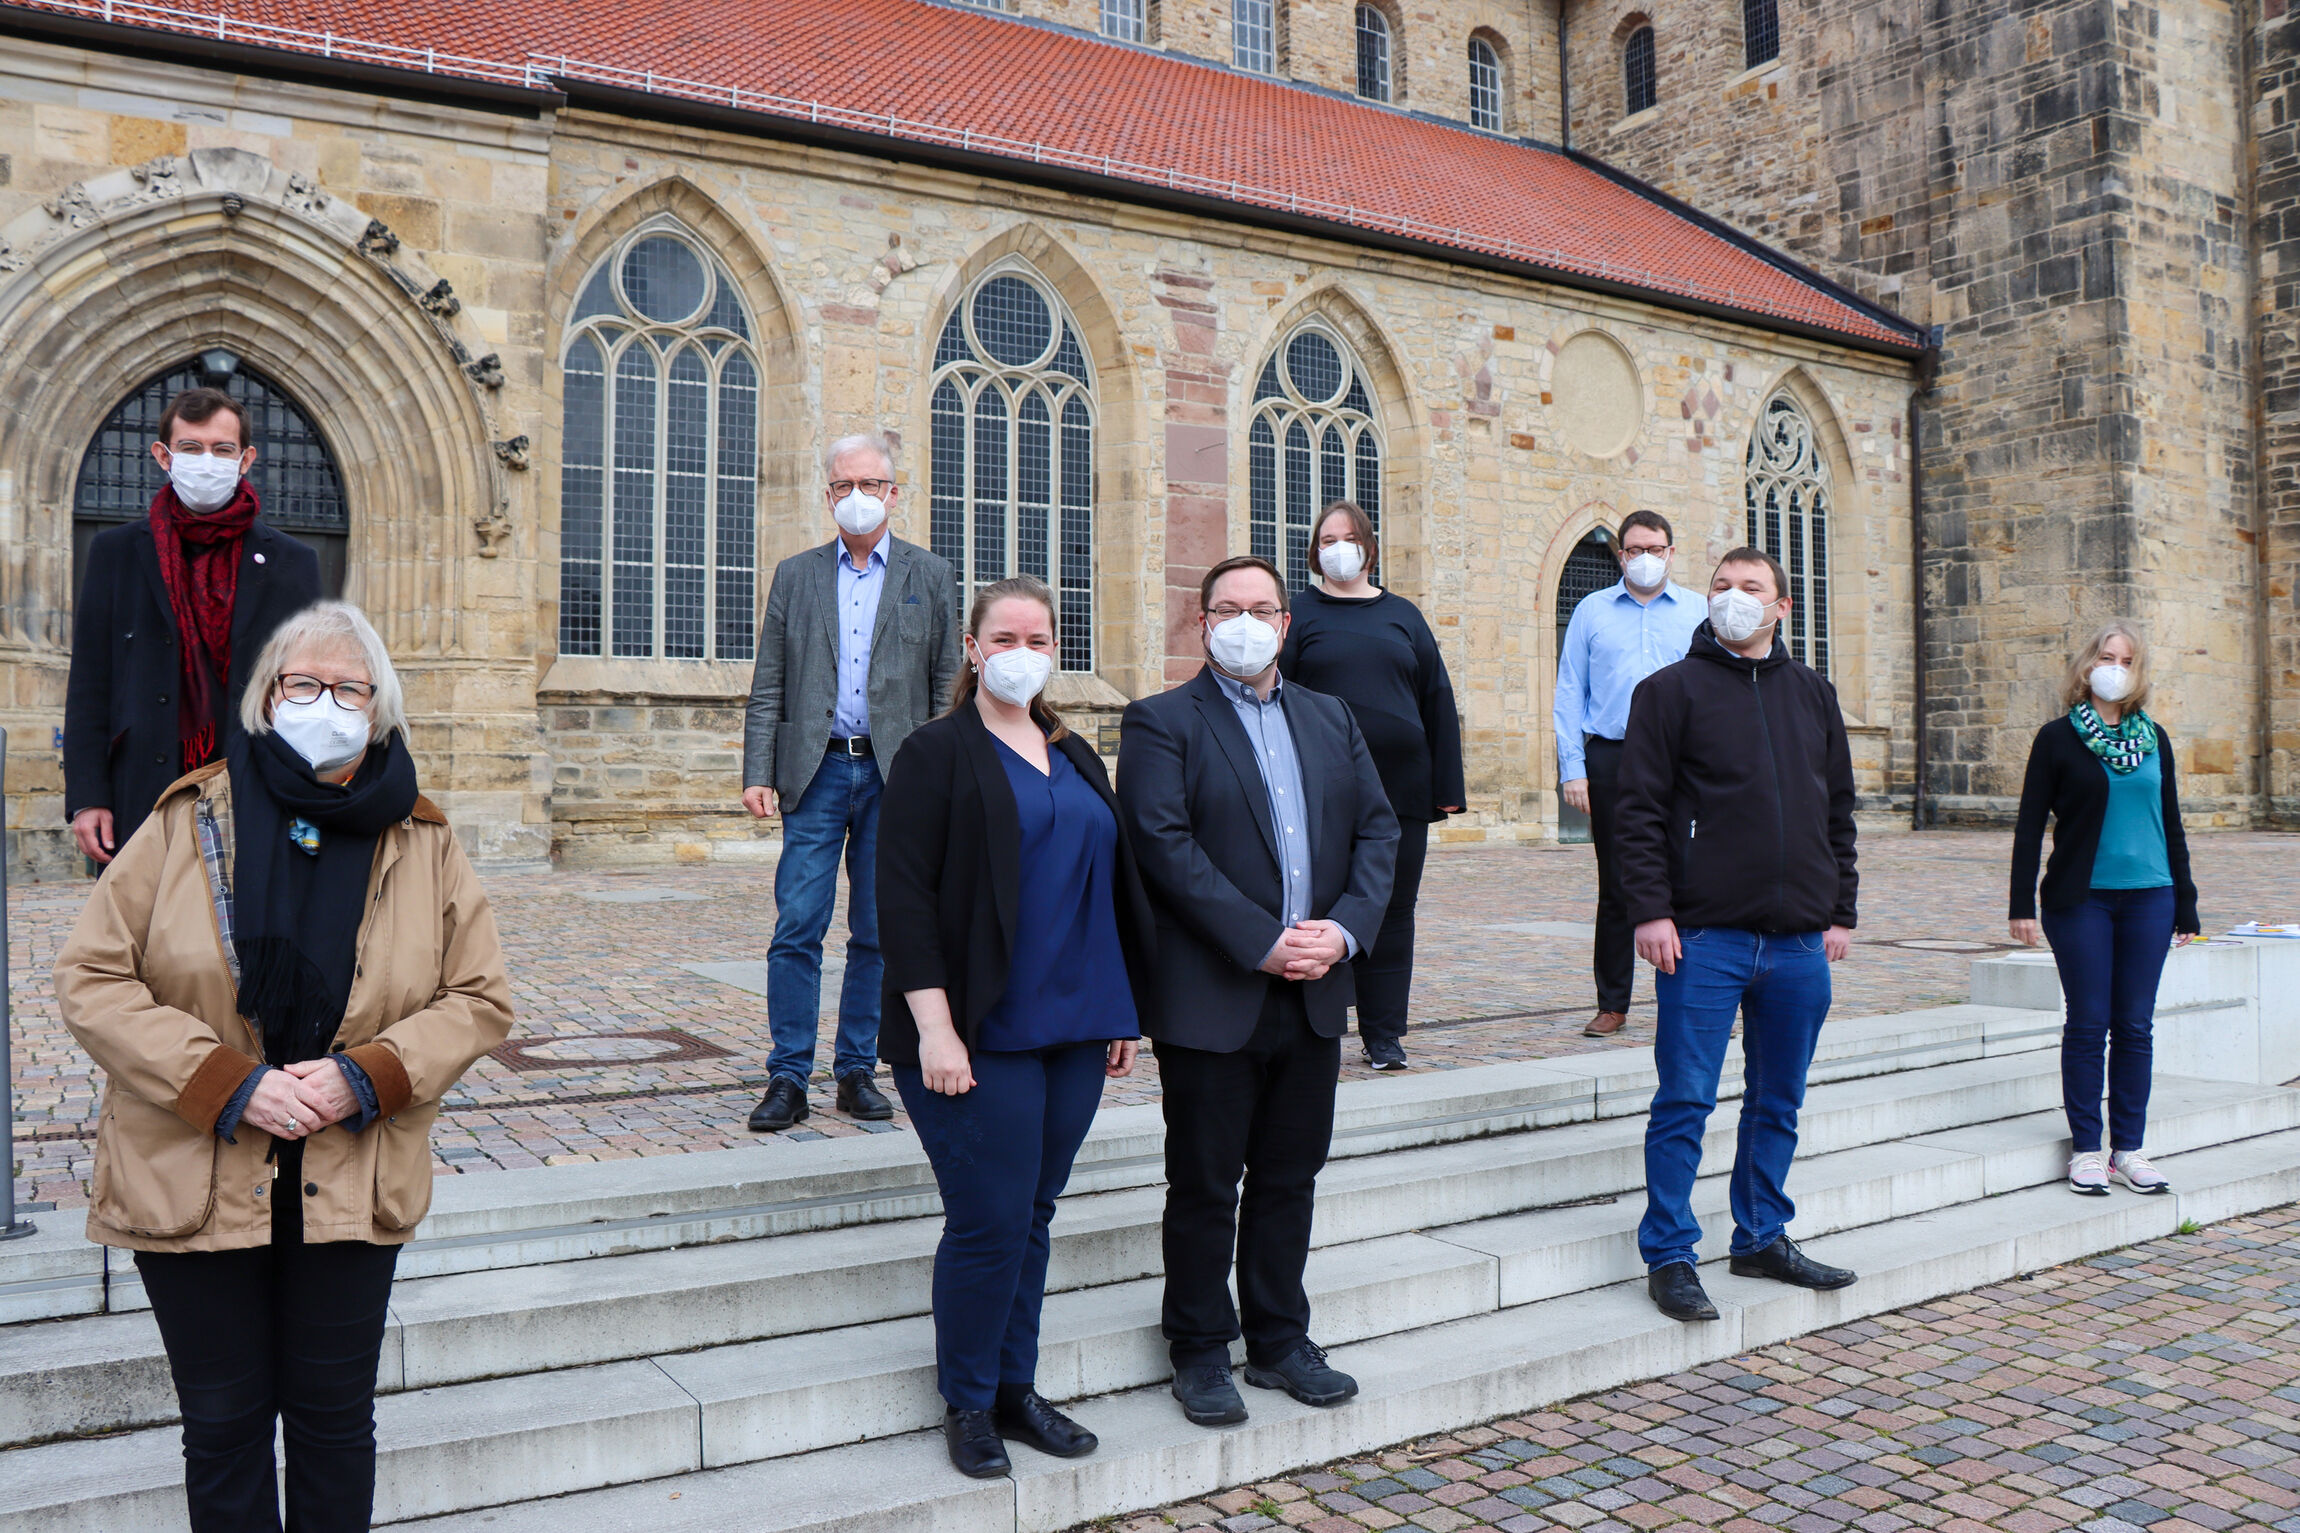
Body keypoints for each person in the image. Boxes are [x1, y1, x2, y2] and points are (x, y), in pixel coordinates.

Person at [53, 600, 514, 1533]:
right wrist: (231, 1082)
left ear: (379, 708)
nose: (326, 703)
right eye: (303, 684)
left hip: (352, 1169)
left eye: (349, 687)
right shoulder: (187, 818)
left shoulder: (423, 838)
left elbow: (479, 997)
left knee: (335, 1423)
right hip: (196, 1162)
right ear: (268, 696)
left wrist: (368, 1073)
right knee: (221, 1426)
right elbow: (92, 978)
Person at [876, 575, 1155, 1478]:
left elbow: (1098, 887)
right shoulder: (934, 753)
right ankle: (966, 1400)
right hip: (972, 1031)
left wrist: (1118, 1008)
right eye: (1004, 635)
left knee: (1033, 1212)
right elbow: (902, 901)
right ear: (972, 647)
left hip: (1073, 1024)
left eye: (1037, 635)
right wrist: (935, 1029)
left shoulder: (1074, 752)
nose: (1020, 650)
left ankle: (1014, 1385)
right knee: (989, 1219)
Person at [1117, 555, 1399, 1427]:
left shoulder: (1331, 716)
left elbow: (1378, 830)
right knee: (1204, 1180)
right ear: (1202, 624)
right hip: (1215, 992)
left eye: (1262, 608)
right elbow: (1163, 845)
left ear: (1286, 623)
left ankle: (1280, 1337)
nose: (1246, 620)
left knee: (1290, 1175)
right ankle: (1200, 1346)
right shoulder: (1161, 722)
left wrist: (1341, 930)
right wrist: (1261, 941)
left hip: (1315, 990)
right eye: (1227, 607)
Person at [1613, 547, 1859, 1323]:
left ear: (1782, 606)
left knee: (1777, 1099)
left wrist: (1840, 907)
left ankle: (1761, 1234)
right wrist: (1650, 909)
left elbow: (1838, 812)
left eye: (1751, 588)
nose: (1733, 597)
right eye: (1721, 586)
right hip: (1703, 938)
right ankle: (1672, 1251)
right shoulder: (1668, 692)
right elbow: (1638, 812)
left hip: (1795, 943)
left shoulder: (1813, 694)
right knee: (1685, 1098)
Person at [741, 432, 961, 1131]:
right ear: (829, 494)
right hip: (817, 768)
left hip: (898, 775)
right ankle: (788, 1074)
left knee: (878, 928)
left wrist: (942, 781)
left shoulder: (931, 575)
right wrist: (758, 770)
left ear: (894, 493)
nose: (858, 497)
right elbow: (770, 682)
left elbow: (944, 687)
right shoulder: (797, 574)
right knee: (798, 924)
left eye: (871, 484)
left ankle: (858, 1068)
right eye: (844, 485)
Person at [63, 385, 322, 866]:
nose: (207, 461)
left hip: (254, 785)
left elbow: (307, 685)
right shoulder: (116, 553)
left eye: (222, 449)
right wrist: (87, 796)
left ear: (245, 459)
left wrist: (307, 797)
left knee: (244, 935)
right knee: (141, 933)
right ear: (164, 455)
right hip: (138, 787)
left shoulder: (293, 562)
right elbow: (90, 683)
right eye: (190, 447)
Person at [2008, 620, 2199, 1197]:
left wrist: (2186, 903)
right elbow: (2029, 825)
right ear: (2087, 666)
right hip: (2081, 899)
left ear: (2138, 673)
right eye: (2106, 656)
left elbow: (2171, 823)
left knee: (2135, 1026)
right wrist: (2021, 905)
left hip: (2151, 896)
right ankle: (2088, 1150)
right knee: (2089, 1023)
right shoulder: (2056, 738)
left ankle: (2130, 1149)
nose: (2115, 667)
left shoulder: (2154, 738)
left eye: (2127, 659)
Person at [1279, 501, 1464, 1072]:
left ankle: (1384, 1033)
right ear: (1314, 549)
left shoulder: (1403, 615)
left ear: (1367, 547)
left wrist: (1445, 787)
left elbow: (1436, 697)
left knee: (1392, 911)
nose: (1338, 546)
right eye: (1327, 537)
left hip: (1402, 788)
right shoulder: (1298, 614)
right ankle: (1320, 1024)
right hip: (1325, 787)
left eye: (1349, 537)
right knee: (1324, 903)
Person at [1552, 510, 1704, 1038]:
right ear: (1621, 555)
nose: (1645, 558)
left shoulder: (1697, 611)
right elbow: (1570, 689)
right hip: (1613, 757)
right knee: (1617, 882)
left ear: (1670, 552)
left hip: (1684, 761)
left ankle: (1692, 997)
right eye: (1635, 550)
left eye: (1655, 549)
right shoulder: (1592, 611)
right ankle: (1612, 1001)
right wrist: (1573, 769)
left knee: (1690, 875)